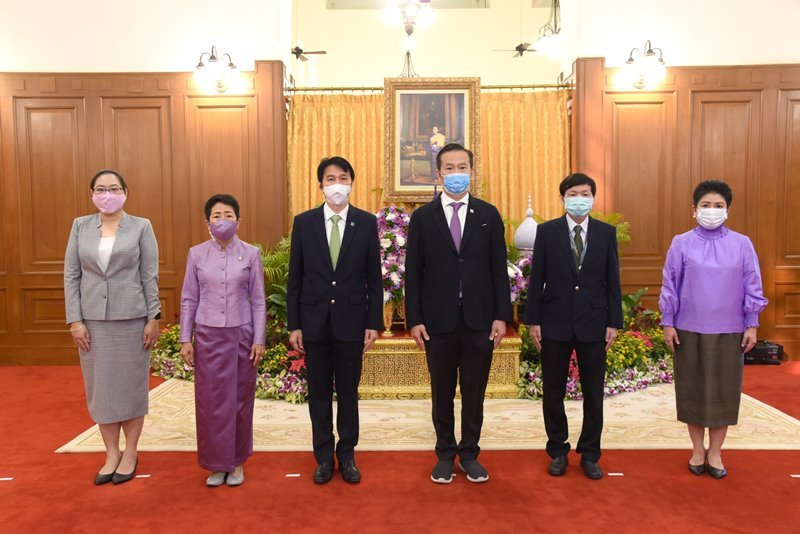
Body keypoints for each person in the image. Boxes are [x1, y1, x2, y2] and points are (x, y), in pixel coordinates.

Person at [405, 143, 512, 484]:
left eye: (462, 167)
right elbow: (414, 272)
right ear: (438, 174)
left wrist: (501, 316)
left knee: (474, 391)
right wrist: (415, 319)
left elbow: (499, 269)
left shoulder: (488, 214)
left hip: (480, 318)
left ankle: (469, 454)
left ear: (472, 172)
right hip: (438, 321)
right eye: (449, 168)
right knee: (442, 391)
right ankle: (444, 454)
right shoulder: (423, 218)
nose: (456, 173)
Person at [659, 180, 767, 479]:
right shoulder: (681, 242)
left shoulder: (742, 243)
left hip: (730, 329)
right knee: (692, 390)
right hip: (688, 328)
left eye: (718, 205)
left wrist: (752, 323)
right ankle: (697, 449)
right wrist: (668, 322)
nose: (712, 210)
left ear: (727, 210)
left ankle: (716, 452)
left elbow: (752, 285)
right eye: (706, 205)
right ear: (694, 209)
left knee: (723, 393)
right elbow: (670, 285)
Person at [287, 156, 382, 484]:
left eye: (343, 178)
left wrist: (373, 323)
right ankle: (324, 457)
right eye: (330, 178)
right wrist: (294, 324)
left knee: (348, 393)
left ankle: (348, 455)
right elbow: (295, 278)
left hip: (352, 322)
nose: (337, 184)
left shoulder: (367, 223)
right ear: (320, 185)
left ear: (351, 183)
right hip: (313, 322)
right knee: (318, 394)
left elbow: (374, 277)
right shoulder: (304, 222)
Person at [64, 169, 161, 486]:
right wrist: (75, 320)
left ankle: (131, 451)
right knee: (101, 389)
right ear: (92, 193)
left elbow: (149, 275)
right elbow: (72, 276)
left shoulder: (141, 226)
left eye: (114, 188)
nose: (108, 193)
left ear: (125, 191)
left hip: (132, 319)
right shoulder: (80, 226)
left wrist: (153, 317)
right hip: (92, 322)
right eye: (101, 188)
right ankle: (111, 453)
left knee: (131, 389)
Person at [524, 172, 622, 480]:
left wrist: (613, 322)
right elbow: (536, 278)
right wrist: (533, 320)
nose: (580, 198)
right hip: (554, 323)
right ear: (563, 198)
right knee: (553, 391)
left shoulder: (606, 233)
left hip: (594, 323)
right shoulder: (547, 232)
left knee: (594, 392)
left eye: (585, 193)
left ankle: (591, 453)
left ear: (593, 197)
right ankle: (558, 450)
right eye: (574, 193)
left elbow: (613, 281)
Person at [179, 194, 266, 487]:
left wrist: (259, 338)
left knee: (240, 400)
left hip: (241, 335)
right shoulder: (196, 254)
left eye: (228, 215)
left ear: (238, 221)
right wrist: (185, 338)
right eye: (216, 215)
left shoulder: (252, 254)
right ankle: (216, 464)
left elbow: (258, 301)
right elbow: (189, 298)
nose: (222, 220)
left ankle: (237, 461)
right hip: (208, 335)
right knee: (211, 402)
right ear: (207, 222)